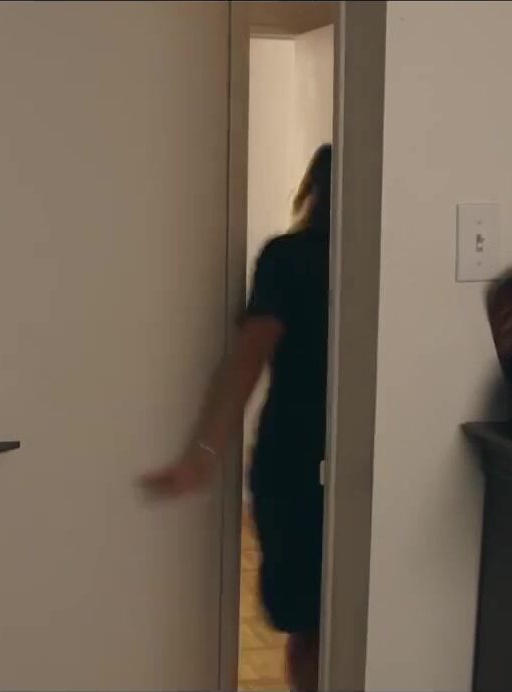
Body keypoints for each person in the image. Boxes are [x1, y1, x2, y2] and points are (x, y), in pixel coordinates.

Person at [143, 144, 333, 691]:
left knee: (306, 627)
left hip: (291, 459)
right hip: (333, 464)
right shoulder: (370, 267)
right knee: (337, 621)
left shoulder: (286, 258)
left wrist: (203, 454)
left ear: (313, 190)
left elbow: (246, 361)